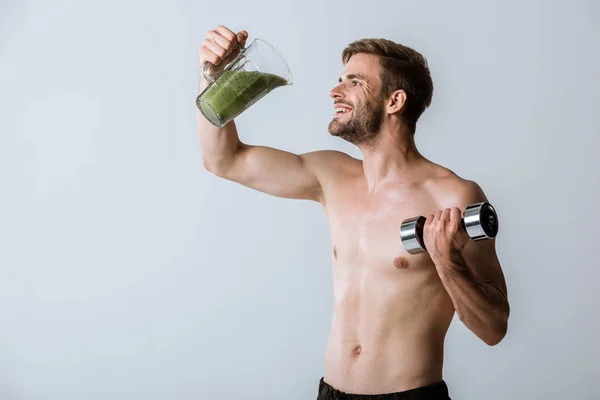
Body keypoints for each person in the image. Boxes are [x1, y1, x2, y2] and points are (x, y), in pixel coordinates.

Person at [197, 25, 510, 400]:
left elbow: (494, 328)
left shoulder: (453, 196)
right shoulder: (330, 176)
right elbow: (223, 160)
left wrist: (447, 262)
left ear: (394, 102)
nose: (335, 91)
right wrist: (212, 78)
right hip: (330, 393)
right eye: (339, 80)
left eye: (355, 82)